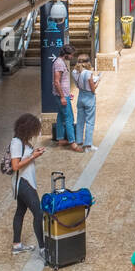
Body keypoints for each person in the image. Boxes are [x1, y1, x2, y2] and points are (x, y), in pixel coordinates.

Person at [9, 113, 46, 255]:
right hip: (23, 183)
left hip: (25, 182)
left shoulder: (24, 142)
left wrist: (34, 153)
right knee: (38, 212)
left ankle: (17, 245)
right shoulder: (17, 143)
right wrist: (33, 156)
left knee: (20, 211)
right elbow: (15, 166)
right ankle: (43, 248)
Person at [52, 45, 81, 151]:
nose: (72, 57)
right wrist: (63, 97)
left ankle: (60, 139)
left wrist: (67, 94)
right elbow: (56, 81)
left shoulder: (60, 62)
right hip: (61, 96)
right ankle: (73, 143)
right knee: (69, 118)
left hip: (63, 95)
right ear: (66, 55)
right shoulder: (59, 63)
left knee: (60, 117)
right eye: (72, 55)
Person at [72, 53, 99, 152]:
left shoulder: (74, 72)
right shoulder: (88, 73)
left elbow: (78, 86)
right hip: (89, 98)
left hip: (80, 97)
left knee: (80, 121)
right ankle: (88, 145)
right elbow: (93, 89)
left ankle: (79, 142)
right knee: (90, 122)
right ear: (88, 62)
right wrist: (98, 80)